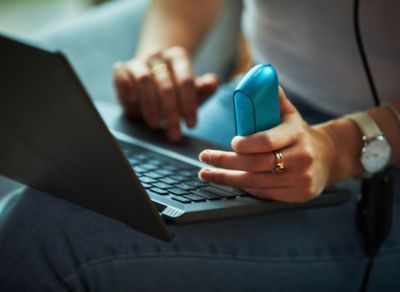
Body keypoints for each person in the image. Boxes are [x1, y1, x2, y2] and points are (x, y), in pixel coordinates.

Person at [0, 0, 399, 291]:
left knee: (48, 234)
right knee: (56, 190)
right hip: (254, 107)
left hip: (379, 154)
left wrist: (340, 148)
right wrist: (158, 57)